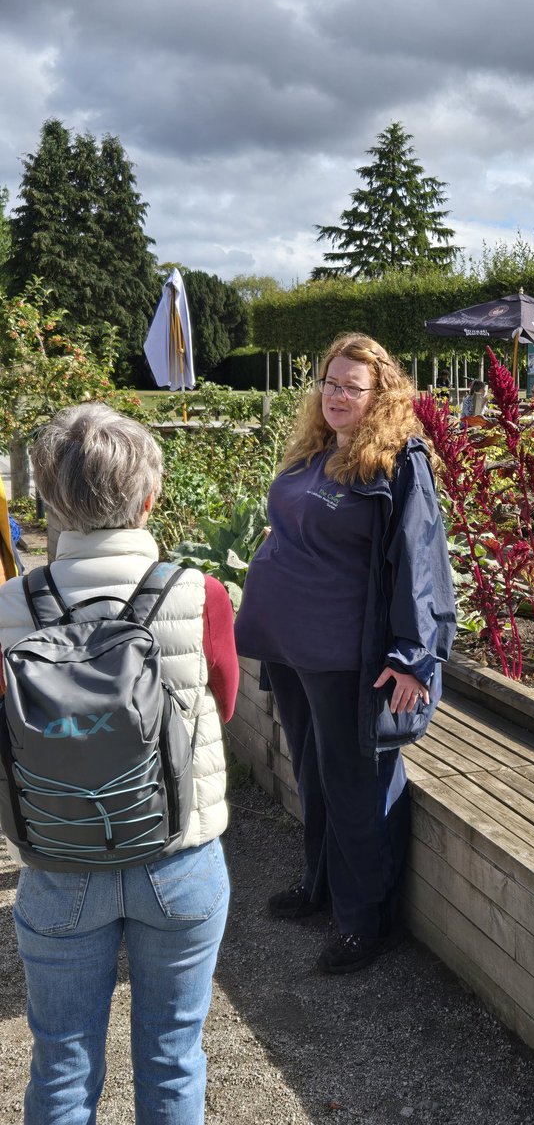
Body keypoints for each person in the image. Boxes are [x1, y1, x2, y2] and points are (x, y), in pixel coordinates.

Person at [0, 403, 238, 1125]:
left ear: (49, 499)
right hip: (178, 855)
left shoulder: (10, 605)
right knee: (173, 1055)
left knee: (62, 1063)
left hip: (60, 861)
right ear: (149, 497)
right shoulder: (199, 593)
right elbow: (224, 704)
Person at [235, 333, 456, 975]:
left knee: (357, 783)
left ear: (379, 395)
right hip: (290, 645)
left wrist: (414, 655)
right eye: (330, 383)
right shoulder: (315, 450)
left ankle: (365, 922)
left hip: (345, 655)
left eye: (351, 387)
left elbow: (421, 559)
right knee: (311, 770)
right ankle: (321, 885)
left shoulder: (398, 462)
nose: (336, 395)